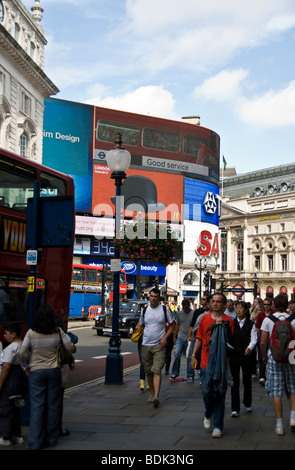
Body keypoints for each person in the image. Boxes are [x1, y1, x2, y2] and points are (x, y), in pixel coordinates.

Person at [20, 305, 75, 450]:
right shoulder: (57, 331)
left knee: (37, 406)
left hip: (36, 371)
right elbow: (70, 346)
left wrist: (25, 365)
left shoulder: (31, 333)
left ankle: (35, 442)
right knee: (53, 405)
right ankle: (51, 439)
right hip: (53, 371)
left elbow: (22, 353)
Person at [191, 292, 234, 438]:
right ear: (210, 303)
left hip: (221, 363)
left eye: (218, 302)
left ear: (223, 304)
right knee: (206, 391)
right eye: (213, 301)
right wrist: (193, 355)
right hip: (205, 361)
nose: (215, 304)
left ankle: (218, 426)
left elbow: (231, 344)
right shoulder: (204, 319)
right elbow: (199, 338)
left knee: (220, 393)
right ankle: (208, 412)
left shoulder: (229, 321)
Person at [260, 293, 295, 436]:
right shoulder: (293, 319)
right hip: (291, 357)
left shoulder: (268, 320)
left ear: (274, 305)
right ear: (287, 304)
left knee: (276, 391)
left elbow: (263, 341)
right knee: (293, 388)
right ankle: (293, 417)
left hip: (274, 357)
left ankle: (279, 425)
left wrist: (263, 356)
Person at [140, 288, 174, 408]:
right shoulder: (144, 311)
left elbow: (172, 325)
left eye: (156, 296)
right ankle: (152, 393)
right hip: (146, 345)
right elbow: (142, 325)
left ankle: (156, 397)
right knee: (148, 371)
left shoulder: (164, 310)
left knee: (157, 370)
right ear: (148, 297)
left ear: (159, 298)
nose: (153, 298)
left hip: (159, 345)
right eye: (152, 296)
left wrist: (165, 337)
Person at [0, 322, 26, 446]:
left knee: (5, 409)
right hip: (19, 381)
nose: (5, 336)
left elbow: (6, 367)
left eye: (6, 333)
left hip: (10, 382)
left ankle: (5, 437)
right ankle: (17, 435)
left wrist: (0, 384)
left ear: (13, 334)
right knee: (15, 410)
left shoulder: (11, 348)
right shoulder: (23, 345)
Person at [230, 301, 257, 417]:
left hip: (246, 355)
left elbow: (254, 338)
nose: (238, 310)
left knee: (247, 380)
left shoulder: (251, 324)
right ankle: (235, 408)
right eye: (237, 308)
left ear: (246, 310)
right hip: (235, 355)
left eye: (241, 308)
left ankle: (247, 402)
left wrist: (249, 348)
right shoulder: (231, 323)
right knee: (234, 382)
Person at [170, 299, 194, 382]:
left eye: (187, 308)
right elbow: (177, 325)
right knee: (176, 354)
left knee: (189, 357)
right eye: (184, 308)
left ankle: (190, 375)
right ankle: (175, 373)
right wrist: (174, 336)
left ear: (189, 306)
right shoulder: (180, 313)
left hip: (190, 338)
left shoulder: (193, 313)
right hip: (180, 336)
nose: (185, 310)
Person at [255, 298, 274, 385]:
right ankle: (262, 376)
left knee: (271, 357)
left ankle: (270, 375)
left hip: (272, 339)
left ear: (271, 305)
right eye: (265, 304)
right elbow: (257, 326)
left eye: (268, 304)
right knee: (262, 357)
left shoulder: (273, 314)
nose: (266, 306)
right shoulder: (261, 314)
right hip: (262, 338)